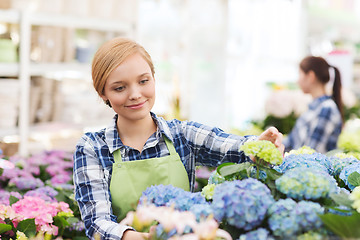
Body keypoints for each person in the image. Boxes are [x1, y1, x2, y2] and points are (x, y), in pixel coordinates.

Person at [73, 37, 284, 240]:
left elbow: (232, 147)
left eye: (143, 81)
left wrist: (260, 145)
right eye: (120, 87)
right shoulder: (93, 147)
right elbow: (97, 222)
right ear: (102, 93)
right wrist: (148, 238)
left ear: (154, 79)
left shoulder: (182, 135)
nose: (135, 94)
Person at [283, 55, 343, 154]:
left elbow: (312, 153)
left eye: (299, 74)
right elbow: (290, 142)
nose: (297, 81)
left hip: (309, 169)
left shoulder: (326, 108)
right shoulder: (314, 107)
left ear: (310, 76)